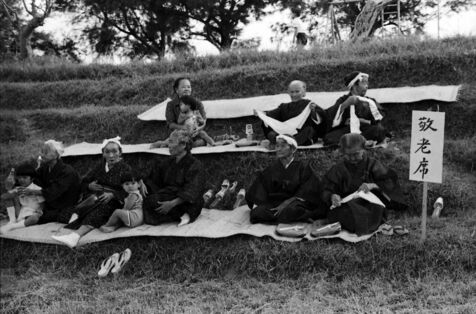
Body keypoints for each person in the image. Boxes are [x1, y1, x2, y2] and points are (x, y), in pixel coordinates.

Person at [51, 137, 132, 248]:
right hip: (94, 198)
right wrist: (89, 186)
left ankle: (74, 236)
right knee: (68, 213)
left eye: (114, 151)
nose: (111, 155)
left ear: (120, 153)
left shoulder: (126, 168)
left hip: (112, 201)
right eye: (107, 152)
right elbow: (84, 182)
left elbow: (130, 189)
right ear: (103, 154)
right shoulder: (100, 167)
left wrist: (113, 195)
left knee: (100, 210)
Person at [321, 133, 407, 235]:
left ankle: (359, 224)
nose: (352, 158)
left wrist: (373, 186)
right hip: (347, 206)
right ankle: (363, 224)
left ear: (363, 149)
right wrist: (332, 196)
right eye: (348, 155)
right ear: (343, 153)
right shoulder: (338, 169)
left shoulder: (372, 164)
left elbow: (389, 182)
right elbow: (326, 188)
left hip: (370, 203)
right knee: (339, 213)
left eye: (356, 154)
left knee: (374, 211)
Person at [246, 134, 325, 224]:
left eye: (283, 146)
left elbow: (308, 190)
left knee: (292, 210)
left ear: (292, 149)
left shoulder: (303, 167)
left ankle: (288, 216)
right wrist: (257, 202)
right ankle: (294, 217)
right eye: (277, 145)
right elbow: (261, 185)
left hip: (295, 202)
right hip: (276, 202)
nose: (278, 149)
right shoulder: (272, 167)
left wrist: (287, 202)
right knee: (257, 213)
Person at [143, 130, 205, 226]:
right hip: (168, 194)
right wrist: (142, 182)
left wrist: (171, 204)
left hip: (183, 200)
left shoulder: (195, 164)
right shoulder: (169, 162)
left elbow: (192, 189)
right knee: (150, 199)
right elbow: (155, 178)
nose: (169, 145)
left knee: (197, 202)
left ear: (183, 144)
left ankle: (186, 214)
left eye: (171, 142)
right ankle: (176, 215)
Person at [324, 71, 389, 146]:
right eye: (364, 83)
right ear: (354, 85)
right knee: (328, 138)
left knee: (379, 131)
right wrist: (345, 105)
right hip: (348, 130)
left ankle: (354, 143)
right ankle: (363, 142)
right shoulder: (343, 100)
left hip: (365, 129)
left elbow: (381, 115)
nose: (367, 86)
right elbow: (332, 117)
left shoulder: (370, 100)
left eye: (367, 83)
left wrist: (365, 121)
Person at [260, 80, 327, 146]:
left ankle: (287, 142)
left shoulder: (309, 104)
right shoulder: (284, 106)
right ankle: (286, 141)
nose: (294, 94)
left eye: (297, 91)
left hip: (302, 133)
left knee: (309, 130)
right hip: (287, 133)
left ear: (303, 92)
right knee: (271, 133)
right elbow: (271, 115)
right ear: (288, 93)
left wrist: (313, 111)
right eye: (291, 92)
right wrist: (262, 114)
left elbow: (321, 119)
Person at [34, 140, 81, 224]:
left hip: (64, 206)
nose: (41, 155)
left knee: (36, 217)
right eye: (41, 152)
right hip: (51, 205)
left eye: (45, 152)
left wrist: (32, 192)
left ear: (56, 155)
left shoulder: (67, 171)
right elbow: (34, 180)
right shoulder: (45, 168)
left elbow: (53, 192)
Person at [151, 95, 215, 148]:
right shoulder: (182, 114)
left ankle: (212, 143)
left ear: (188, 105)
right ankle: (159, 143)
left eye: (181, 104)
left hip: (195, 131)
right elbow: (179, 122)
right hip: (184, 132)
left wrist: (200, 120)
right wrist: (185, 117)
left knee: (203, 133)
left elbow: (202, 122)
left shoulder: (196, 112)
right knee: (173, 140)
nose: (180, 106)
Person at [0, 163, 44, 233]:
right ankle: (12, 221)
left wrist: (39, 212)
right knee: (10, 197)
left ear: (32, 179)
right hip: (20, 212)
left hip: (32, 213)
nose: (21, 180)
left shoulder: (36, 189)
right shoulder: (18, 189)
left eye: (24, 178)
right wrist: (11, 190)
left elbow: (42, 204)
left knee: (34, 218)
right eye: (19, 177)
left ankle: (13, 226)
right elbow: (3, 197)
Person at [165, 77, 208, 147]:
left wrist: (197, 129)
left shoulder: (197, 103)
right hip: (179, 134)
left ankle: (188, 144)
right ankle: (176, 143)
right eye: (183, 87)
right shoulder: (171, 105)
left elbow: (204, 121)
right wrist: (185, 128)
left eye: (189, 87)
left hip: (195, 133)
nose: (187, 89)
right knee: (179, 140)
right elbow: (171, 125)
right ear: (176, 90)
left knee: (203, 139)